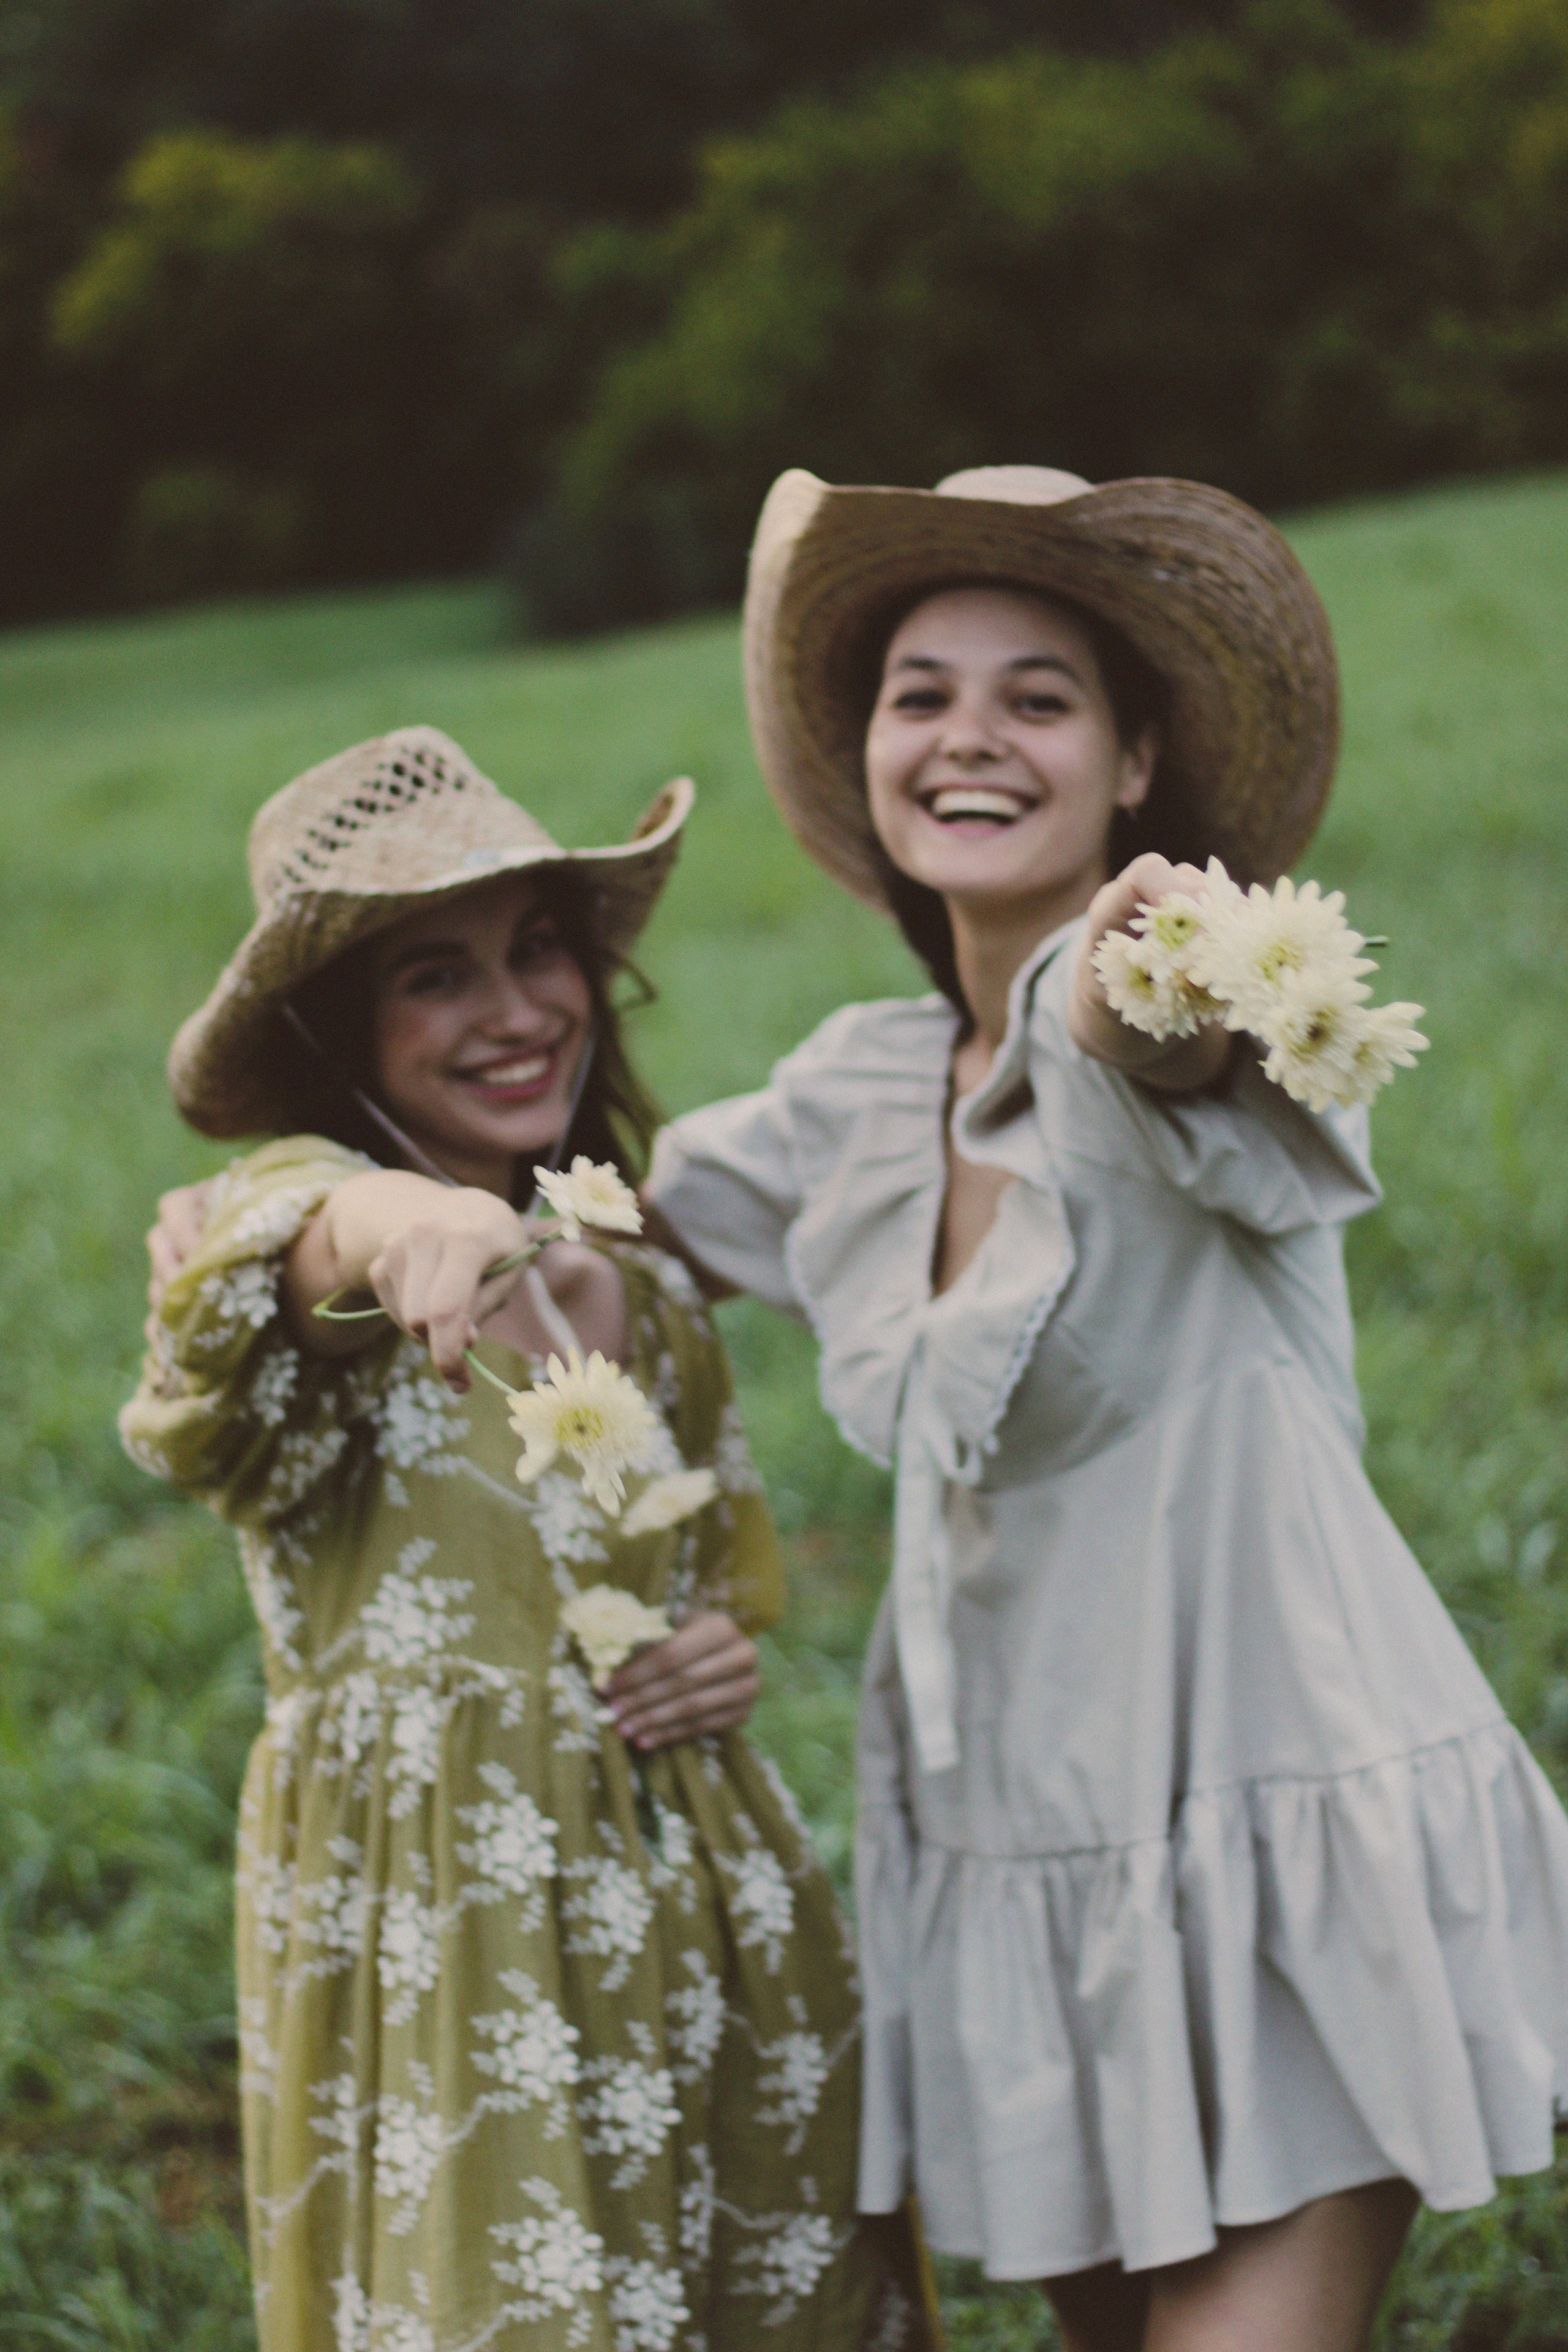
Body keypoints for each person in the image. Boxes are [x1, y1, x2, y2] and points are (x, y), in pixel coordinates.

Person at [628, 467, 1568, 2351]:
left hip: (1275, 1842)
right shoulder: (856, 1089)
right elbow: (603, 1230)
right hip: (1021, 1885)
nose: (969, 733)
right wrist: (349, 1199)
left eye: (1038, 696)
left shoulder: (1154, 1010)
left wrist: (1150, 973)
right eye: (921, 692)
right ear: (873, 755)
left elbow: (1163, 1034)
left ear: (1137, 769)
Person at [121, 728, 928, 2352]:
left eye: (538, 949)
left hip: (701, 1922)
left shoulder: (637, 1279)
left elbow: (685, 1573)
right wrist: (416, 1222)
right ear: (343, 1025)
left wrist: (708, 1653)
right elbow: (302, 1258)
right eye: (438, 976)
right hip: (452, 1941)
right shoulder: (308, 1255)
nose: (516, 1012)